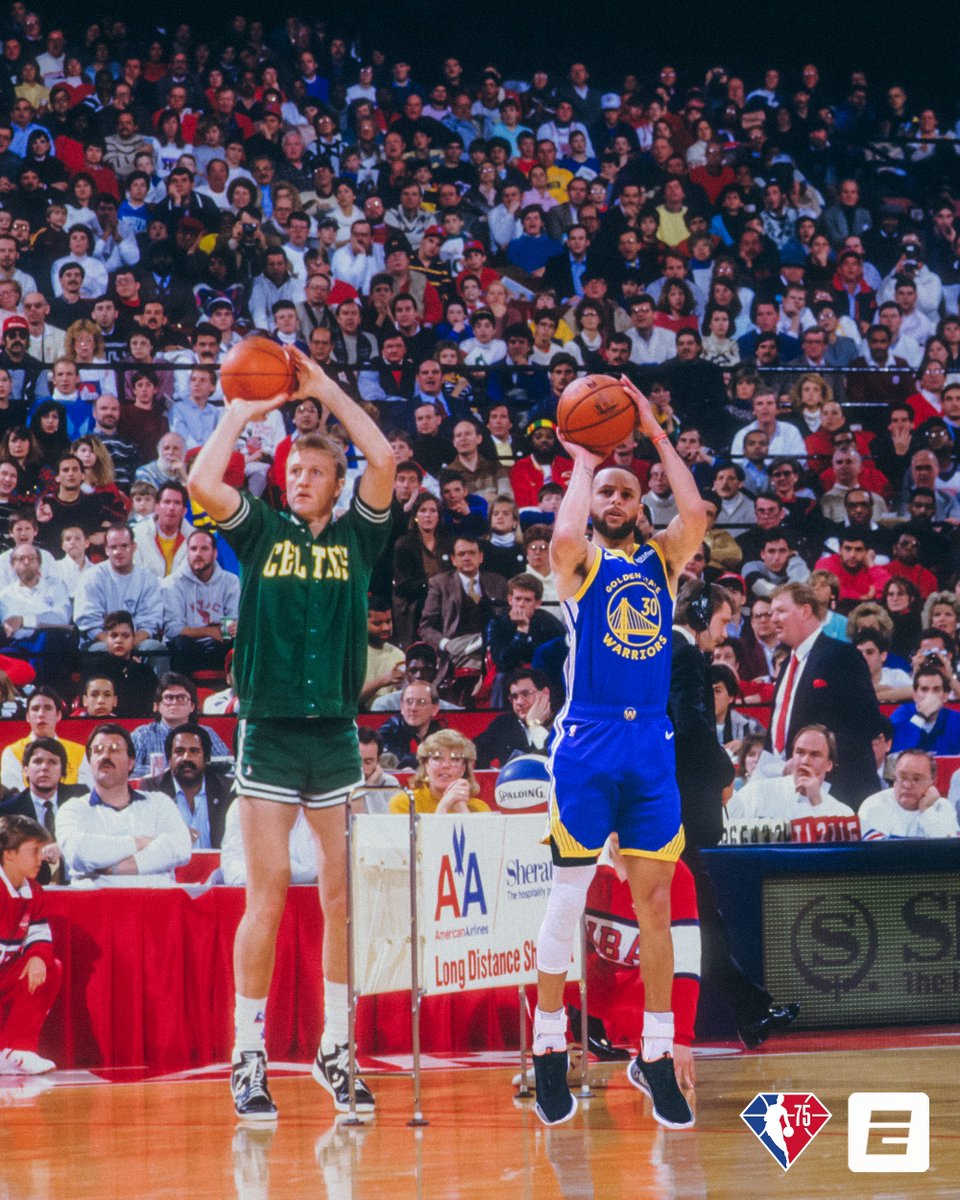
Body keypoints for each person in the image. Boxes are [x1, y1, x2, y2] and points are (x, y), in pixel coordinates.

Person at [188, 343, 395, 1121]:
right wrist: (242, 409)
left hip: (335, 734)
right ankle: (249, 1054)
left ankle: (335, 1048)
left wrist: (325, 390)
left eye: (313, 471)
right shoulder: (262, 532)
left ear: (335, 486)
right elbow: (205, 482)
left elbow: (382, 455)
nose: (298, 478)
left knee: (343, 900)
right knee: (267, 892)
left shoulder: (357, 539)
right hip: (269, 732)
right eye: (292, 471)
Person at [532, 375, 704, 1131]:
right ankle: (545, 1043)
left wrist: (656, 434)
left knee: (656, 904)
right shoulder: (580, 567)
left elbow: (695, 512)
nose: (615, 501)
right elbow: (562, 539)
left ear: (641, 503)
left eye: (627, 492)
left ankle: (655, 1053)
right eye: (606, 491)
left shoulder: (663, 562)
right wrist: (579, 460)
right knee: (568, 898)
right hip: (588, 738)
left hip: (650, 743)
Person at [768, 582, 883, 805]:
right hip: (790, 790)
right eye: (772, 612)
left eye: (781, 611)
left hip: (840, 792)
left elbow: (867, 723)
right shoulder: (786, 667)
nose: (773, 619)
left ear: (805, 611)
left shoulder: (843, 655)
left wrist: (814, 756)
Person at [56, 724, 192, 882]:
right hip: (95, 904)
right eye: (98, 750)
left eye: (114, 749)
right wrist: (139, 842)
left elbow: (180, 846)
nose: (105, 755)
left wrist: (116, 868)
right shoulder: (73, 809)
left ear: (131, 762)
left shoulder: (159, 802)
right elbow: (79, 853)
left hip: (155, 903)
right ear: (89, 761)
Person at [0, 813, 62, 1075]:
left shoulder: (34, 891)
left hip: (4, 974)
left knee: (51, 966)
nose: (41, 858)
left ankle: (14, 1050)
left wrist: (37, 955)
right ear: (10, 853)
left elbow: (39, 933)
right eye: (34, 851)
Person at [0, 738, 87, 884]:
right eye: (37, 761)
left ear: (63, 770)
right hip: (30, 891)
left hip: (77, 886)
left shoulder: (81, 799)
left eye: (52, 762)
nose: (44, 767)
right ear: (25, 770)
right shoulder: (8, 810)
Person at [727, 725, 856, 820]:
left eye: (815, 755)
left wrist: (817, 801)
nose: (805, 761)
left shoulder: (842, 812)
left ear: (829, 765)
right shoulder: (756, 792)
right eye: (800, 752)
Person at [139, 724, 234, 850]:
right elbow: (142, 840)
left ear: (206, 758)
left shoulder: (226, 788)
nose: (186, 758)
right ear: (169, 758)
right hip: (169, 867)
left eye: (194, 751)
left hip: (217, 867)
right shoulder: (152, 789)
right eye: (179, 752)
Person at [161, 529, 240, 675]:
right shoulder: (171, 584)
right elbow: (173, 629)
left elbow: (232, 620)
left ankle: (237, 693)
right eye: (193, 549)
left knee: (239, 643)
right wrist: (210, 631)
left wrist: (230, 629)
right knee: (181, 644)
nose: (198, 554)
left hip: (217, 646)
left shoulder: (230, 581)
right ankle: (181, 694)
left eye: (204, 549)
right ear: (187, 553)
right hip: (187, 650)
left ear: (214, 553)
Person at [130, 674, 230, 777]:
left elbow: (228, 767)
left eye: (181, 698)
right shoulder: (141, 735)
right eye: (168, 698)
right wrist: (169, 770)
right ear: (157, 706)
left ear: (192, 706)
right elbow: (128, 770)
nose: (175, 702)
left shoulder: (208, 733)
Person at [0, 687, 91, 792]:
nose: (41, 714)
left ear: (58, 715)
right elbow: (13, 796)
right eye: (35, 708)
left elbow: (85, 794)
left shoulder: (79, 752)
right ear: (27, 716)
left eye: (48, 708)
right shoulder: (12, 752)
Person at [859, 749, 960, 838]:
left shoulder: (943, 807)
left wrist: (926, 810)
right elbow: (875, 855)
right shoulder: (873, 805)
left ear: (933, 782)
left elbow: (949, 852)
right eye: (902, 777)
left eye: (916, 779)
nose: (907, 785)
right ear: (894, 778)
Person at [388, 729, 489, 813]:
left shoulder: (479, 808)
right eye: (437, 758)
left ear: (463, 768)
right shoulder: (405, 803)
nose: (445, 765)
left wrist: (463, 811)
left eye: (455, 759)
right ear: (426, 764)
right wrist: (444, 805)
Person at [475, 668, 555, 768]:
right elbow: (472, 752)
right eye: (514, 696)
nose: (519, 702)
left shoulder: (562, 723)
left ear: (545, 693)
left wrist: (534, 725)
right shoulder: (504, 724)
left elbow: (551, 759)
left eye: (526, 694)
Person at [890, 663, 960, 754]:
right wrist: (921, 716)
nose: (930, 695)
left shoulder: (956, 720)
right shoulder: (901, 715)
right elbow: (898, 753)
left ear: (945, 696)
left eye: (936, 689)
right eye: (924, 689)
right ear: (914, 695)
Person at [354, 728, 400, 815]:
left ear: (378, 761)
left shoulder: (390, 783)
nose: (362, 768)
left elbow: (388, 825)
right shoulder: (340, 785)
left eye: (368, 762)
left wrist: (371, 787)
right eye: (357, 761)